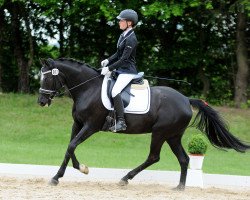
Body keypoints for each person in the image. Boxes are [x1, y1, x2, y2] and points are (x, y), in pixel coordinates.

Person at [101, 9, 138, 132]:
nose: (119, 22)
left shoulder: (131, 38)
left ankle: (121, 122)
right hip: (121, 70)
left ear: (129, 23)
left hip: (128, 71)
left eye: (122, 20)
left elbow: (123, 59)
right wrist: (108, 60)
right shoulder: (123, 35)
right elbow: (118, 53)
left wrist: (109, 68)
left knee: (115, 91)